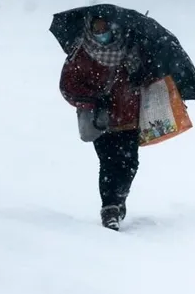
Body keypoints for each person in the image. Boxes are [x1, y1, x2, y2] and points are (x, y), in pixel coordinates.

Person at [59, 14, 143, 230]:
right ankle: (110, 209)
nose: (101, 32)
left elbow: (145, 77)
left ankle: (119, 198)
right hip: (100, 119)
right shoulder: (81, 54)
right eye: (96, 28)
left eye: (104, 27)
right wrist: (92, 98)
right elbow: (68, 86)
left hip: (128, 116)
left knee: (130, 164)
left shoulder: (130, 48)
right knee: (109, 163)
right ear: (89, 28)